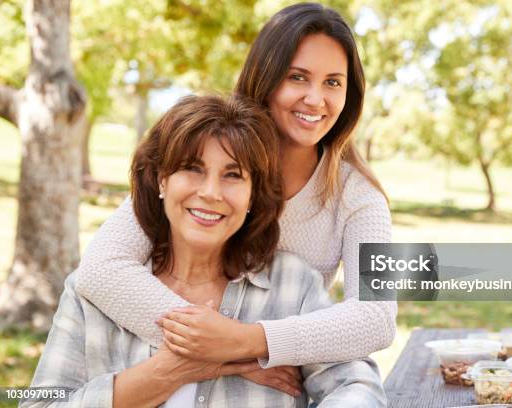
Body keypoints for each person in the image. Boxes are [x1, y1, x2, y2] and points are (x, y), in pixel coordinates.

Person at [75, 2, 395, 393]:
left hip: (274, 388)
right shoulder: (205, 155)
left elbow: (377, 316)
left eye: (333, 82)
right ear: (265, 77)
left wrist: (248, 341)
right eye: (298, 77)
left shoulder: (360, 197)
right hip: (155, 374)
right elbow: (100, 269)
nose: (316, 99)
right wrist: (218, 354)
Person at [21, 95, 386, 408]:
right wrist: (176, 368)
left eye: (232, 175)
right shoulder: (96, 290)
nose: (211, 192)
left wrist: (245, 341)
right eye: (192, 169)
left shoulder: (295, 280)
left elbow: (366, 361)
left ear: (252, 196)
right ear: (162, 180)